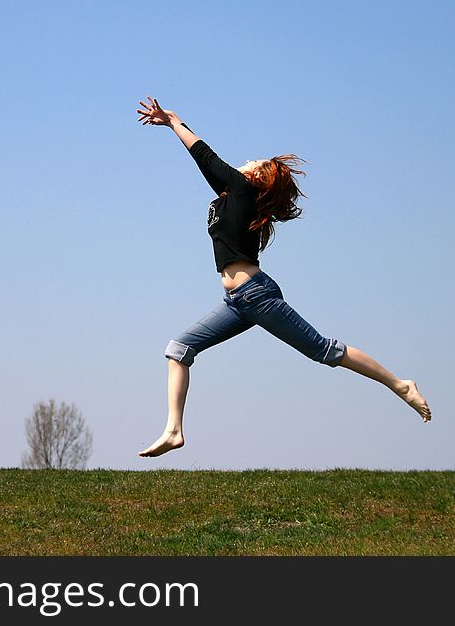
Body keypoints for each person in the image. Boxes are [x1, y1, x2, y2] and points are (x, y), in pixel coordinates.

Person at [135, 97, 431, 458]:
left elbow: (205, 156)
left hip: (257, 296)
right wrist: (173, 123)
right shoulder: (233, 197)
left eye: (253, 162)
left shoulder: (242, 190)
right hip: (237, 303)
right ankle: (174, 430)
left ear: (255, 178)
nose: (245, 161)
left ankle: (400, 385)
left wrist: (174, 121)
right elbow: (211, 167)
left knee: (323, 350)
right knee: (179, 349)